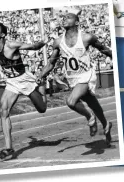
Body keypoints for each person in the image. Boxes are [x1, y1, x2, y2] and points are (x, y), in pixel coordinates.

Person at [40, 8, 112, 147]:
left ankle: (90, 118)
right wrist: (41, 75)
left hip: (86, 76)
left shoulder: (86, 37)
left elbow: (104, 49)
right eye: (63, 17)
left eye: (68, 17)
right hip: (73, 79)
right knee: (93, 104)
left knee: (71, 101)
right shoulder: (58, 42)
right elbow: (51, 63)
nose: (64, 19)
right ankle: (106, 124)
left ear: (77, 21)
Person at [0, 14, 48, 159]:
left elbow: (33, 47)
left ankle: (42, 87)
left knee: (42, 109)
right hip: (11, 82)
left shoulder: (10, 45)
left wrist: (43, 42)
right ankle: (8, 147)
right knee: (3, 110)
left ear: (3, 35)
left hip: (25, 80)